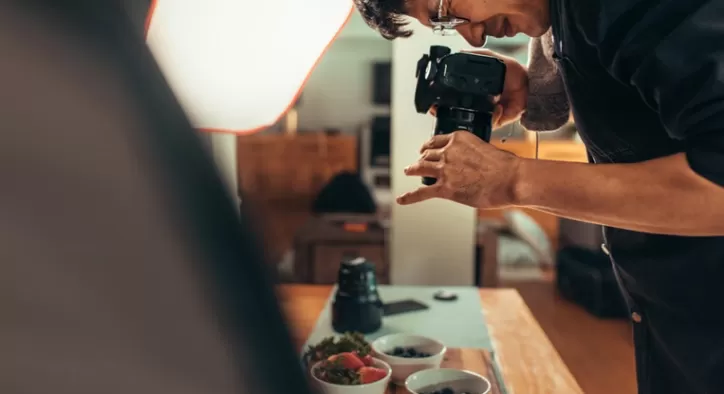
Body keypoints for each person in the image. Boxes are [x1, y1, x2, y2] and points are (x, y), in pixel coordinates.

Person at [353, 0, 724, 393]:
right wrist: (537, 86)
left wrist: (515, 181)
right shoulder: (569, 18)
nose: (473, 34)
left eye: (446, 11)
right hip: (675, 313)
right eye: (446, 26)